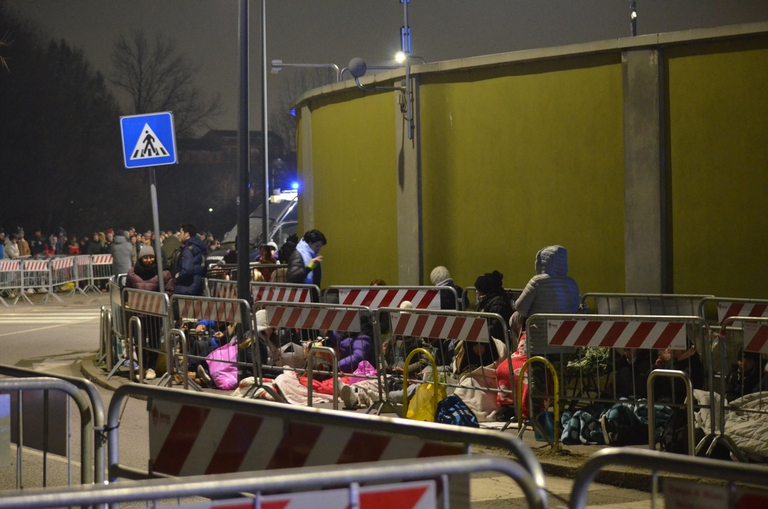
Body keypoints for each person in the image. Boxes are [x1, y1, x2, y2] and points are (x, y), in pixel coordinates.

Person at [125, 245, 175, 380]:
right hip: (138, 314)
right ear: (140, 258)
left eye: (151, 257)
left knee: (154, 341)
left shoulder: (163, 273)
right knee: (139, 341)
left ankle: (152, 367)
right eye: (145, 257)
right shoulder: (132, 273)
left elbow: (169, 291)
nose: (148, 260)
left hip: (155, 314)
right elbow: (127, 291)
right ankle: (142, 367)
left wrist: (157, 301)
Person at [173, 223, 207, 295]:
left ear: (187, 234)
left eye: (181, 233)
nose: (179, 235)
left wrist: (177, 276)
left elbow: (187, 270)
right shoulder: (199, 247)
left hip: (186, 288)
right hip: (197, 286)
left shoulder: (188, 249)